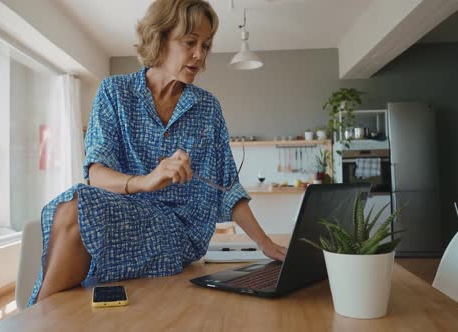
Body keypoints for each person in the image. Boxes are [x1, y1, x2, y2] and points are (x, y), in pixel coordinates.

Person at [28, 0, 287, 306]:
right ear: (159, 38)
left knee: (73, 211)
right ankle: (42, 314)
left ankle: (36, 316)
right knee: (70, 207)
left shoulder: (207, 108)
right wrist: (145, 180)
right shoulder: (114, 92)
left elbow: (228, 188)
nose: (199, 54)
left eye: (205, 45)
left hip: (179, 233)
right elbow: (96, 174)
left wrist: (265, 243)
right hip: (124, 219)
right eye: (190, 42)